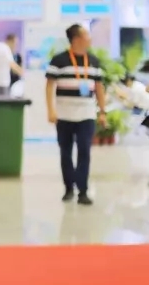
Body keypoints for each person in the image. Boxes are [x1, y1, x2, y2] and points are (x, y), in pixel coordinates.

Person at [45, 23, 106, 206]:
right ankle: (68, 188)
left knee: (84, 151)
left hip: (87, 115)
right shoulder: (59, 60)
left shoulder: (94, 61)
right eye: (87, 35)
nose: (90, 38)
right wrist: (51, 110)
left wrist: (102, 112)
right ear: (77, 39)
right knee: (65, 152)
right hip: (64, 115)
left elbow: (99, 88)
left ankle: (83, 190)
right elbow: (50, 86)